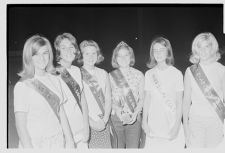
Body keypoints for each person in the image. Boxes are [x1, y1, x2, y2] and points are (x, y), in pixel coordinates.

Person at [14, 35, 74, 148]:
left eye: (45, 53)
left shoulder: (55, 79)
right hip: (35, 144)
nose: (41, 58)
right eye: (36, 54)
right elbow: (20, 126)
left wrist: (70, 140)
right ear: (28, 57)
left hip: (58, 142)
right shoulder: (23, 85)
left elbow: (61, 112)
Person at [183, 32, 225, 148]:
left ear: (213, 48)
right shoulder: (190, 71)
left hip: (216, 121)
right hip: (195, 121)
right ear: (195, 50)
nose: (203, 50)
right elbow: (186, 101)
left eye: (207, 46)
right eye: (199, 47)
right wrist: (185, 127)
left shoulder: (221, 70)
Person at [142, 36, 184, 148]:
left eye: (162, 50)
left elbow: (180, 103)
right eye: (155, 50)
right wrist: (144, 121)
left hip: (172, 124)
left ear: (168, 51)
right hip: (153, 126)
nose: (158, 53)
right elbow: (147, 99)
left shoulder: (177, 74)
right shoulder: (149, 74)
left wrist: (177, 126)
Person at [54, 33, 89, 148]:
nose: (68, 50)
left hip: (81, 127)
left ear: (76, 49)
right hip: (65, 131)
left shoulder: (77, 70)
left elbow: (82, 100)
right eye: (63, 48)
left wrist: (86, 126)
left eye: (71, 46)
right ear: (58, 51)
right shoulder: (54, 73)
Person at [109, 41, 144, 148]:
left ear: (131, 56)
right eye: (119, 55)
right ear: (115, 58)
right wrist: (119, 113)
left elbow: (142, 98)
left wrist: (135, 114)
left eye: (126, 55)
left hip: (134, 119)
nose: (123, 58)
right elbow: (109, 98)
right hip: (116, 119)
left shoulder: (139, 75)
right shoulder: (110, 75)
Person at [79, 40, 112, 148]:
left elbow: (108, 98)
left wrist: (105, 119)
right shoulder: (77, 74)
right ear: (81, 55)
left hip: (103, 122)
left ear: (98, 55)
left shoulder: (103, 73)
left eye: (93, 53)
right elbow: (78, 102)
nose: (90, 56)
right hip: (86, 123)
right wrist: (91, 122)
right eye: (87, 53)